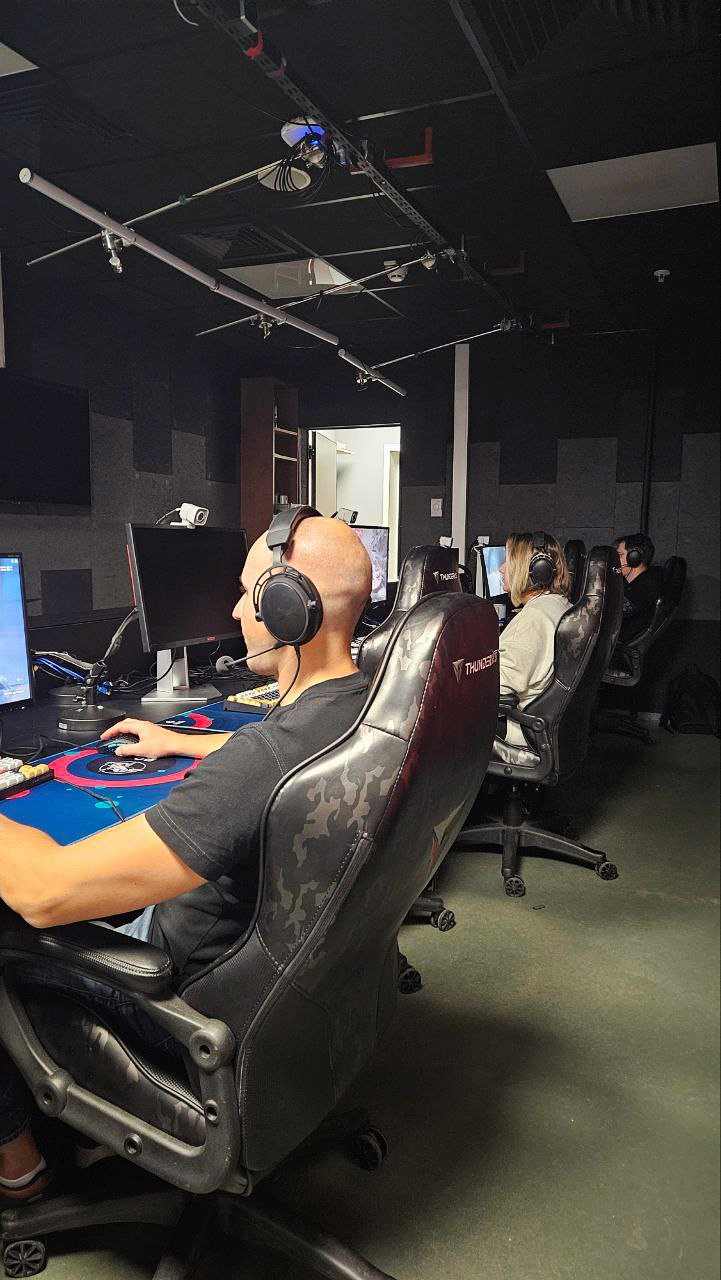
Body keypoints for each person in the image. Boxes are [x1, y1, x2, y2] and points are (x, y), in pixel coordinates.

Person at [0, 513, 372, 1204]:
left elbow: (43, 892)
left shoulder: (265, 758)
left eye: (247, 594)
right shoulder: (361, 707)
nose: (234, 612)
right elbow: (270, 755)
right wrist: (182, 744)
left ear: (287, 608)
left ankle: (21, 1165)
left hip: (182, 1006)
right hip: (303, 998)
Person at [493, 532, 571, 766]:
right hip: (547, 727)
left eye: (508, 560)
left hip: (522, 732)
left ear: (537, 571)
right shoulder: (557, 604)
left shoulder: (534, 619)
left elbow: (495, 688)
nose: (501, 568)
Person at [615, 532, 663, 644]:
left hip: (620, 641)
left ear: (634, 557)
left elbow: (614, 614)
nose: (615, 560)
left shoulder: (646, 586)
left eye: (620, 555)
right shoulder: (631, 583)